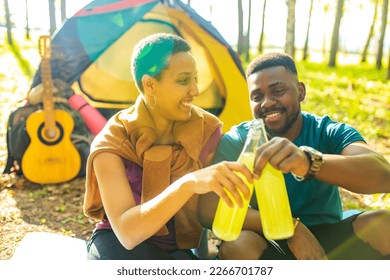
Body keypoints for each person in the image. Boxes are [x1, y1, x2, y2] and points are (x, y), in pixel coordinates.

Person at [200, 52, 390, 260]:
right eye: (257, 97)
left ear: (300, 91)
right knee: (237, 245)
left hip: (329, 237)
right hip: (269, 238)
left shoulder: (326, 131)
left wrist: (307, 162)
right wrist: (291, 226)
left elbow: (383, 175)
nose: (267, 103)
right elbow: (208, 210)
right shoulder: (239, 141)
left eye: (278, 91)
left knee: (383, 225)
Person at [83, 33, 253, 260]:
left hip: (177, 249)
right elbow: (127, 233)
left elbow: (207, 213)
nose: (195, 91)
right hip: (119, 245)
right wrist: (188, 184)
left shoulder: (207, 130)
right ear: (150, 84)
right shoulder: (112, 142)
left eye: (195, 79)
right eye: (183, 81)